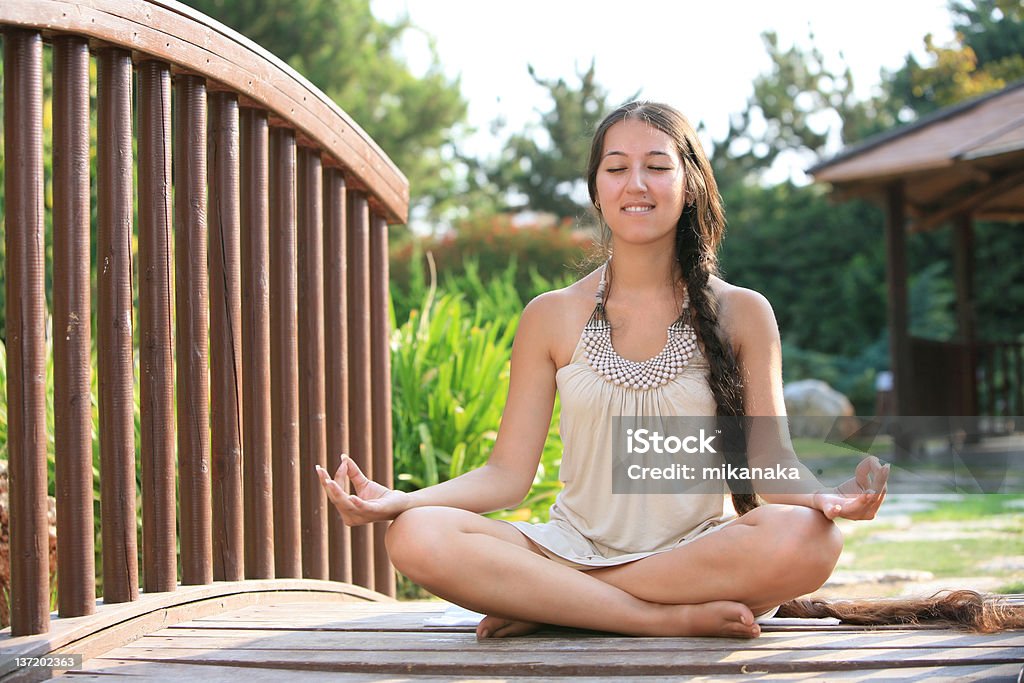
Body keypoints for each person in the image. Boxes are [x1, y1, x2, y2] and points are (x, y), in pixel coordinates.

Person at [317, 101, 1018, 638]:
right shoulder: (551, 315)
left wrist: (825, 498)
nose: (636, 182)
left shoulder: (744, 312)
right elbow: (508, 476)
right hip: (572, 545)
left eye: (657, 164)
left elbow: (770, 463)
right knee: (415, 536)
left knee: (809, 539)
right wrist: (399, 501)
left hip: (700, 552)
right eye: (616, 166)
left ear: (689, 184)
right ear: (596, 187)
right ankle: (648, 617)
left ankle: (563, 607)